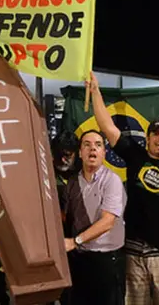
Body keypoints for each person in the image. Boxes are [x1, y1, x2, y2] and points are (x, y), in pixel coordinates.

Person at [88, 72, 159, 304]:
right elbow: (107, 126)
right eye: (155, 134)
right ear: (147, 138)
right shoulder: (135, 155)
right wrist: (96, 91)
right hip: (133, 250)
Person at [63, 130, 127, 305]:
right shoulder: (72, 182)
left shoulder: (112, 181)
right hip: (80, 260)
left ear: (104, 153)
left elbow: (108, 222)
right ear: (80, 152)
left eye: (98, 145)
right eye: (87, 145)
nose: (93, 149)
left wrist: (75, 241)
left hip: (106, 262)